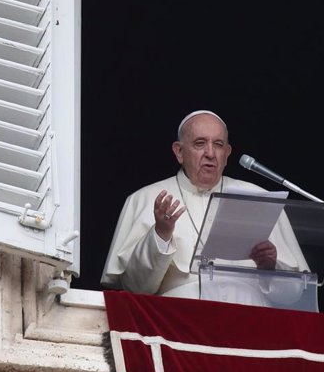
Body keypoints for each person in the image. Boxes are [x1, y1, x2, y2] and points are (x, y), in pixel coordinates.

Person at [101, 110, 310, 307]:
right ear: (179, 152)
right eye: (200, 143)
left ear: (227, 153)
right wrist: (161, 234)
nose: (210, 153)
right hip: (177, 323)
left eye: (218, 145)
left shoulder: (260, 199)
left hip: (251, 323)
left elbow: (295, 294)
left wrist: (270, 268)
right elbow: (133, 288)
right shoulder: (144, 199)